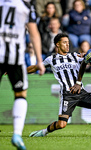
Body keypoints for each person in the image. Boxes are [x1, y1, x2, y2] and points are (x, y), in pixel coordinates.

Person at [28, 33, 91, 138]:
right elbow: (34, 68)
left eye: (68, 43)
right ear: (57, 45)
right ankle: (43, 132)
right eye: (64, 43)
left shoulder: (75, 56)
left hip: (81, 92)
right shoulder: (51, 59)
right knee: (61, 124)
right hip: (67, 95)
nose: (67, 45)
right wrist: (18, 71)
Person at [0, 0, 45, 150]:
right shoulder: (25, 5)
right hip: (15, 57)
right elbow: (34, 33)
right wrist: (39, 60)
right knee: (20, 94)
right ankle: (17, 134)